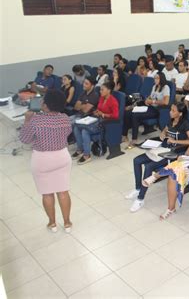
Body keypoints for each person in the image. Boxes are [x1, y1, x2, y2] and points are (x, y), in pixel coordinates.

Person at [19, 90, 73, 233]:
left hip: (42, 160)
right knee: (63, 191)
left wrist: (26, 120)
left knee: (47, 193)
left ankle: (52, 223)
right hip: (62, 157)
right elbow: (67, 134)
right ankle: (67, 223)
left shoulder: (35, 120)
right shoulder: (65, 118)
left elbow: (25, 140)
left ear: (46, 104)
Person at [126, 102, 189, 212]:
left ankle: (140, 198)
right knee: (136, 160)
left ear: (180, 114)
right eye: (170, 109)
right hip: (162, 149)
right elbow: (164, 132)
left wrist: (175, 141)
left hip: (172, 154)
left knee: (148, 167)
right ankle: (138, 189)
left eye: (173, 111)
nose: (170, 112)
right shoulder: (171, 121)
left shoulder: (186, 124)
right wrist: (163, 134)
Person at [72, 81, 119, 165]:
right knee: (76, 127)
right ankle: (80, 149)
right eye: (100, 90)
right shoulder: (101, 98)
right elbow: (99, 109)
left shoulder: (113, 101)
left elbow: (115, 116)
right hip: (96, 119)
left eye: (102, 90)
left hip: (103, 123)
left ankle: (87, 155)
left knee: (84, 131)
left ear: (109, 90)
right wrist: (97, 112)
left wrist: (103, 114)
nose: (100, 91)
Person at [123, 72, 170, 147]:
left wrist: (153, 101)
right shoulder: (155, 86)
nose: (155, 80)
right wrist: (147, 100)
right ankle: (124, 135)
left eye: (157, 78)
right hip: (149, 106)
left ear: (161, 79)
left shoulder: (166, 87)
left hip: (157, 109)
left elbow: (166, 102)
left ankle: (134, 139)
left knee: (135, 115)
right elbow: (151, 97)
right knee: (128, 112)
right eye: (155, 78)